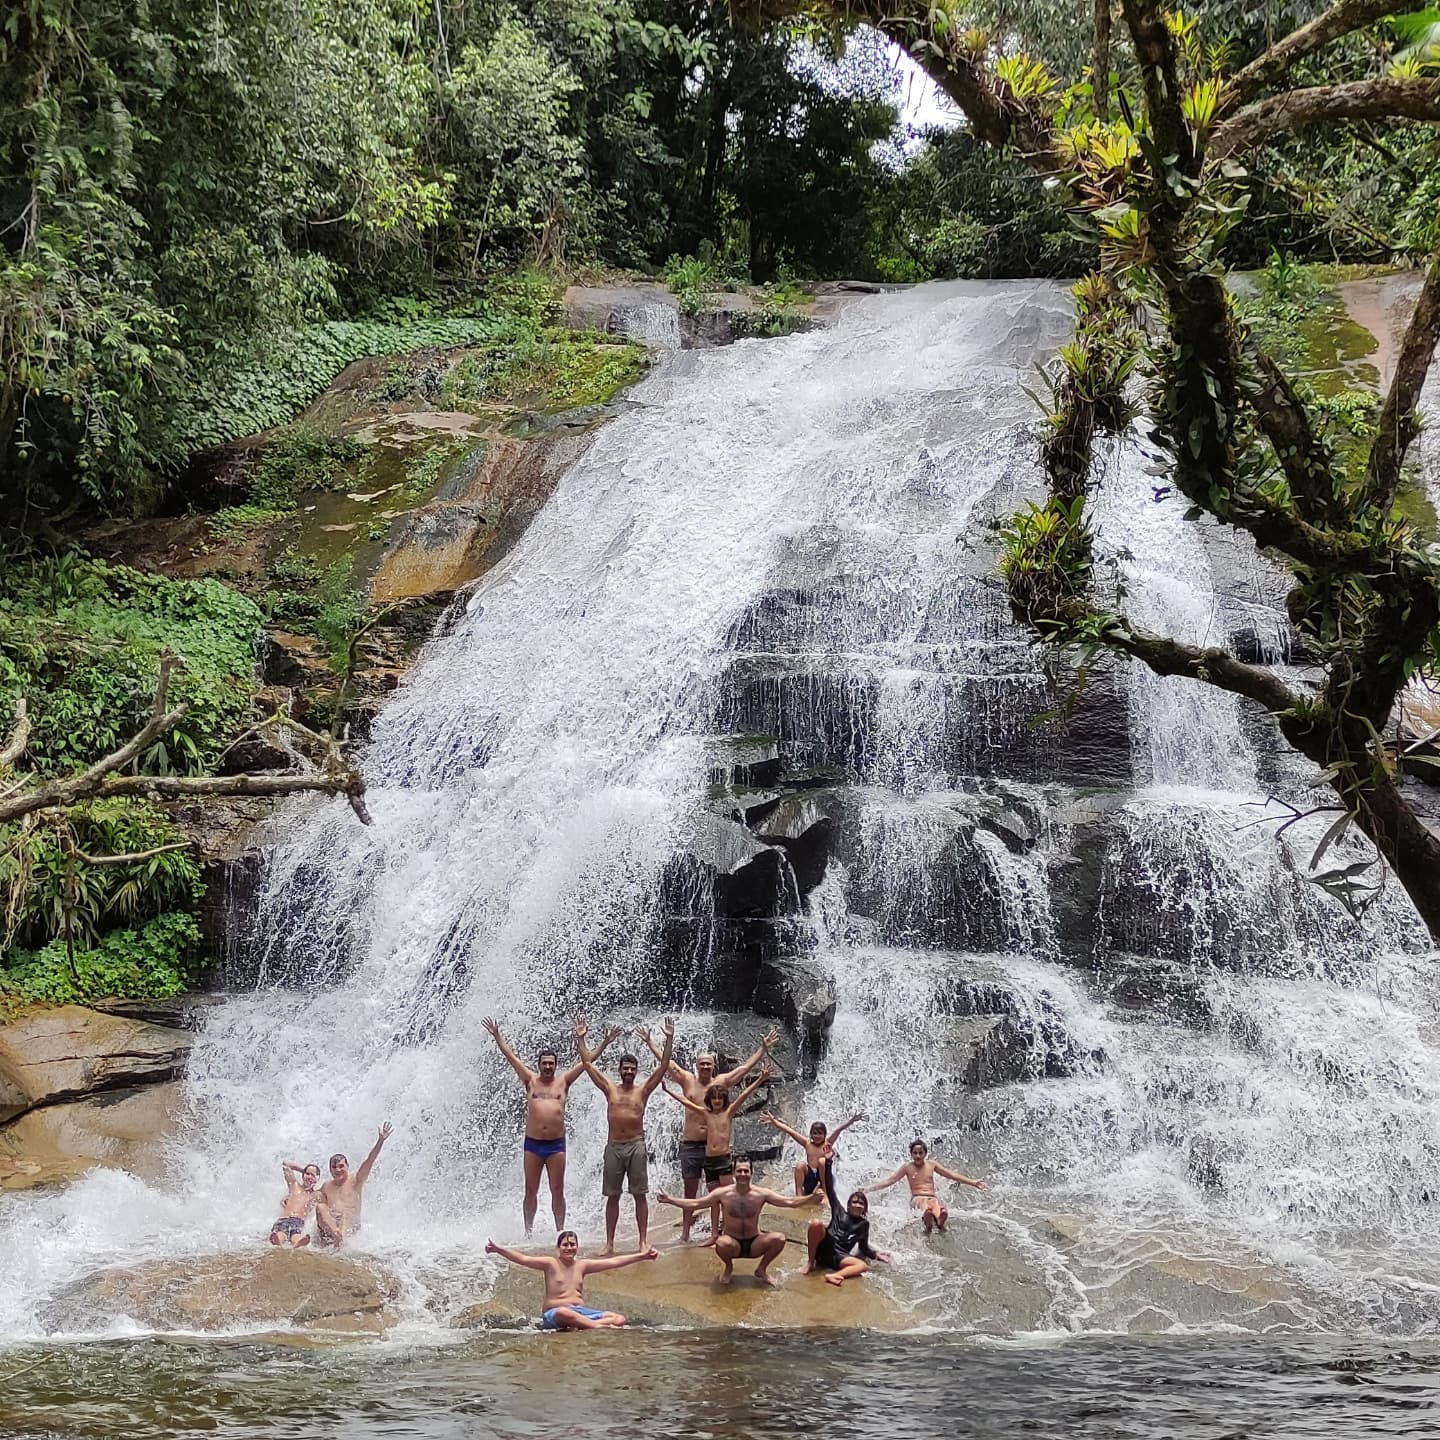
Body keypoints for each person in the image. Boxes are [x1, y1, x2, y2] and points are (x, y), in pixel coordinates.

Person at [637, 1024, 779, 1242]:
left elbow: (743, 1070)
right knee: (690, 1191)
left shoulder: (720, 1084)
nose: (705, 1067)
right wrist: (650, 1043)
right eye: (702, 1064)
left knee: (720, 1193)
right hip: (691, 1145)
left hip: (715, 1151)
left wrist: (762, 1049)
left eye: (708, 1064)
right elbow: (668, 1065)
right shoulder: (687, 1080)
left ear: (714, 1067)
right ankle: (685, 1232)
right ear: (696, 1066)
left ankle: (719, 1232)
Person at [483, 1015, 618, 1235]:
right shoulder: (530, 1080)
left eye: (551, 1064)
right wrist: (498, 1036)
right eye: (544, 1063)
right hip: (533, 1145)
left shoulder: (563, 1081)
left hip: (556, 1145)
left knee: (558, 1190)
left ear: (555, 1065)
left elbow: (587, 1063)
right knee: (530, 1190)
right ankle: (528, 1231)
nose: (548, 1067)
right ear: (539, 1065)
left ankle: (560, 1231)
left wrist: (600, 1041)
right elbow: (511, 1057)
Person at [575, 1014, 674, 1255]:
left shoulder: (643, 1090)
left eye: (632, 1068)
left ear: (636, 1071)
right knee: (613, 1196)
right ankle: (610, 1243)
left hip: (636, 1145)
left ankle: (642, 1241)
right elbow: (588, 1065)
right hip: (614, 1147)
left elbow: (664, 1067)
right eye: (625, 1068)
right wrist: (582, 1039)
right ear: (620, 1070)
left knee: (640, 1195)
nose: (628, 1071)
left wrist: (668, 1039)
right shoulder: (610, 1089)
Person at [656, 1156, 822, 1286]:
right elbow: (696, 1203)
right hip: (732, 1243)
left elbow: (789, 1202)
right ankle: (728, 1267)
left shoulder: (761, 1194)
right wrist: (670, 1200)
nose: (743, 1174)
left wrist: (810, 1198)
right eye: (739, 1171)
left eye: (746, 1171)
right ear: (734, 1174)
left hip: (755, 1242)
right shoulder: (723, 1193)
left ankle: (762, 1269)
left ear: (751, 1173)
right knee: (721, 1243)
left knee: (779, 1239)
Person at [661, 1063, 775, 1222]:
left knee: (729, 1195)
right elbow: (686, 1102)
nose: (716, 1101)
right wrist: (668, 1091)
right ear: (709, 1100)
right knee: (714, 1198)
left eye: (720, 1098)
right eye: (714, 1098)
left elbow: (745, 1094)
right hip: (709, 1161)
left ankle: (730, 1226)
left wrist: (761, 1078)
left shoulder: (729, 1112)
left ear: (724, 1100)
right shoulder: (705, 1113)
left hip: (723, 1160)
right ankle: (714, 1233)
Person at [484, 1231, 659, 1330]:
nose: (569, 1248)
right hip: (555, 1314)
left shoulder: (582, 1266)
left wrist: (642, 1256)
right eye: (565, 1245)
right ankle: (597, 1327)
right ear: (558, 1248)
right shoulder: (550, 1263)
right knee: (564, 1313)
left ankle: (587, 1324)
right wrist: (499, 1250)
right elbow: (523, 1259)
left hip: (581, 1312)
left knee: (619, 1318)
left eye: (572, 1245)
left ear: (577, 1247)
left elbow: (613, 1262)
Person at [865, 1139, 985, 1234]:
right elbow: (890, 1180)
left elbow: (951, 1174)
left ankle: (939, 1218)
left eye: (920, 1153)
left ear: (925, 1154)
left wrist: (973, 1182)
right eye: (915, 1153)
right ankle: (927, 1217)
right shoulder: (907, 1167)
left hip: (931, 1196)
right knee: (923, 1202)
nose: (917, 1155)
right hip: (916, 1197)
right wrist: (868, 1189)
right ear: (911, 1154)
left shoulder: (931, 1165)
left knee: (935, 1203)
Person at [803, 1158, 891, 1286]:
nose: (857, 1205)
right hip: (824, 1248)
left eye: (861, 1203)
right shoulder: (839, 1211)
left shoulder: (863, 1224)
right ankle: (810, 1262)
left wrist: (876, 1255)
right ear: (848, 1206)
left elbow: (863, 1247)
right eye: (854, 1202)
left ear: (865, 1209)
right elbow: (829, 1187)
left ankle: (835, 1275)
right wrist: (828, 1162)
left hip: (839, 1257)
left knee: (862, 1266)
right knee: (816, 1224)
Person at [316, 1122, 393, 1247]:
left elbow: (370, 1160)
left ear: (347, 1166)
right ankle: (336, 1236)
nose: (338, 1170)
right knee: (320, 1207)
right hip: (330, 1229)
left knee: (344, 1213)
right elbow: (311, 1195)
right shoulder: (326, 1186)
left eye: (341, 1166)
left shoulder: (355, 1180)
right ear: (330, 1170)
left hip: (349, 1228)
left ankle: (339, 1237)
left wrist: (380, 1141)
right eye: (334, 1167)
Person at [760, 1111, 866, 1195]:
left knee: (822, 1161)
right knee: (799, 1165)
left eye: (820, 1133)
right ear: (811, 1134)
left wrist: (852, 1120)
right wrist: (774, 1122)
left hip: (824, 1178)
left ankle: (825, 1193)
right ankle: (799, 1196)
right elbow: (790, 1131)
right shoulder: (807, 1143)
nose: (817, 1136)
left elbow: (839, 1130)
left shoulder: (827, 1143)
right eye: (815, 1133)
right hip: (810, 1179)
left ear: (825, 1135)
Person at [269, 1160, 321, 1248]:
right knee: (281, 1233)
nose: (309, 1177)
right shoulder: (294, 1186)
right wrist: (303, 1170)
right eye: (307, 1174)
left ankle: (298, 1242)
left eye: (312, 1175)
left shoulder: (316, 1195)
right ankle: (278, 1240)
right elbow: (286, 1164)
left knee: (296, 1235)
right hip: (284, 1219)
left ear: (317, 1179)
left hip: (298, 1221)